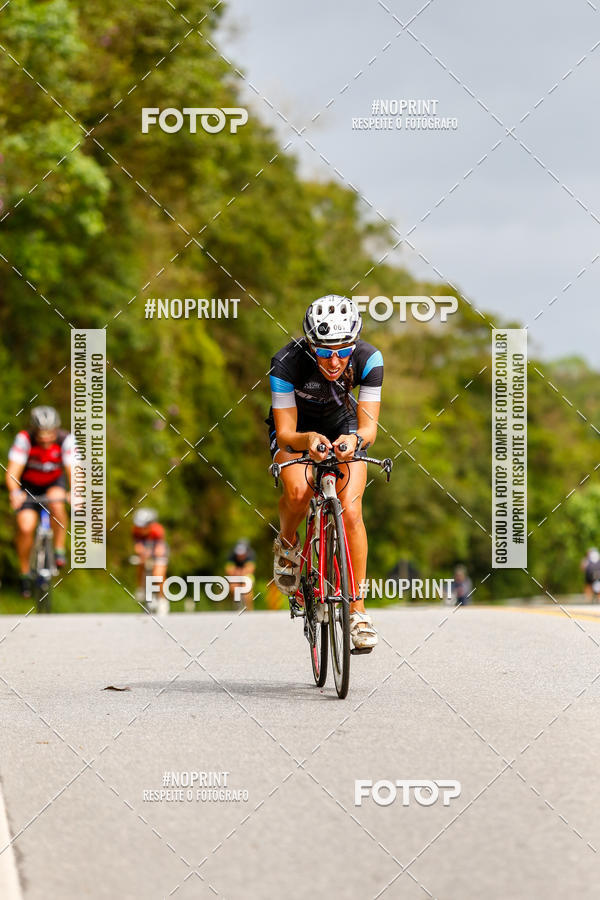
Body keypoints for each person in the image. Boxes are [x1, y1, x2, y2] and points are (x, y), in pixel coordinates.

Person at [266, 294, 383, 652]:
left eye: (342, 351)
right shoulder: (286, 363)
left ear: (354, 344)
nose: (334, 361)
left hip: (344, 425)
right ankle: (288, 545)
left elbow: (369, 428)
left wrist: (354, 439)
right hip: (298, 428)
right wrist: (307, 440)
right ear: (310, 345)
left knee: (351, 510)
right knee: (299, 494)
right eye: (324, 351)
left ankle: (358, 612)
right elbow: (285, 433)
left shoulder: (369, 359)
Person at [6, 407, 72, 597]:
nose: (45, 437)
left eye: (49, 432)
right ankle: (25, 573)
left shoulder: (65, 440)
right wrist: (14, 492)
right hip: (28, 487)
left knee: (57, 504)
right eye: (41, 433)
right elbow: (12, 472)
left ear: (56, 429)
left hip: (53, 483)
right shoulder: (24, 439)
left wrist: (75, 492)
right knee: (26, 527)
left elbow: (74, 471)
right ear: (34, 430)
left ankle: (59, 549)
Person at [132, 508, 169, 614]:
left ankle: (162, 600)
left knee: (158, 575)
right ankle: (141, 589)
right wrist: (142, 553)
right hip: (145, 550)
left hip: (157, 550)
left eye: (143, 526)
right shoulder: (135, 530)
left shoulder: (157, 530)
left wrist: (154, 554)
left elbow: (159, 549)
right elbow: (137, 546)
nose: (140, 528)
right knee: (140, 564)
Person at [224, 538, 256, 610]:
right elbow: (228, 570)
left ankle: (249, 608)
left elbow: (250, 569)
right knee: (232, 586)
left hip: (246, 576)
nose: (240, 556)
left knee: (247, 587)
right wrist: (241, 572)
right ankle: (237, 606)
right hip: (236, 576)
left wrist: (237, 571)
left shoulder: (251, 554)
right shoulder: (232, 555)